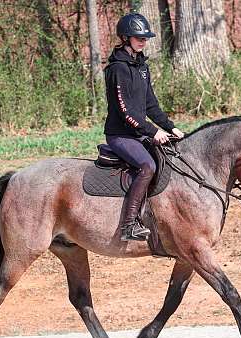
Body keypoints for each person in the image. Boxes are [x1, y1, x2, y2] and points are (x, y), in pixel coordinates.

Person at [104, 13, 185, 242]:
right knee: (147, 166)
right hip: (121, 135)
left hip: (139, 133)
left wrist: (170, 127)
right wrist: (153, 131)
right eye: (138, 37)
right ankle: (128, 225)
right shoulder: (117, 69)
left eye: (145, 38)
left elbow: (150, 104)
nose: (143, 41)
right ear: (125, 37)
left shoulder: (142, 67)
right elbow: (125, 112)